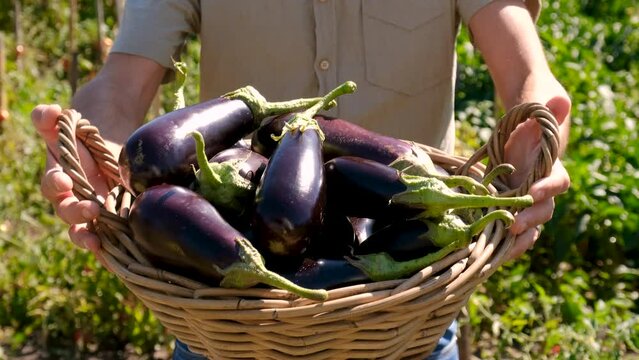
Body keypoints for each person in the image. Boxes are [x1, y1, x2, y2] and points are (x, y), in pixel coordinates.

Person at [33, 1, 571, 359]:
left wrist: (534, 134)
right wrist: (94, 143)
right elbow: (120, 86)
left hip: (409, 305)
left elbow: (527, 74)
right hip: (230, 318)